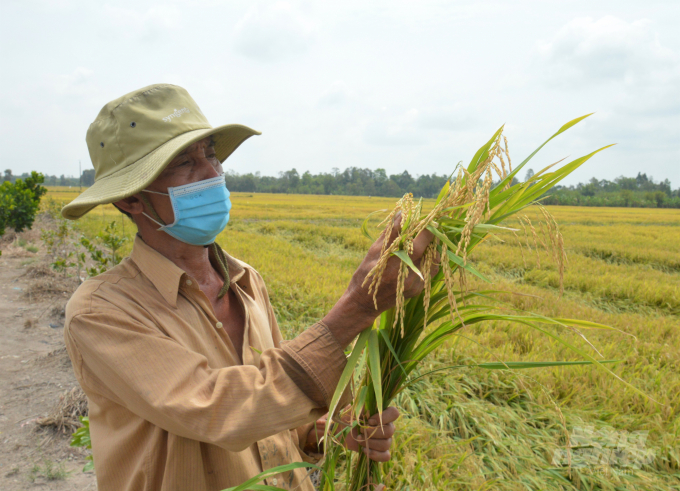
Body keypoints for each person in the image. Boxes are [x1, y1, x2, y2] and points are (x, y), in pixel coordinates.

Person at [61, 84, 433, 491]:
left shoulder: (246, 281)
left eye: (211, 154)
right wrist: (356, 307)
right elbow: (217, 411)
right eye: (185, 162)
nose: (212, 173)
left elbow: (274, 416)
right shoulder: (101, 312)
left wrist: (331, 431)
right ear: (131, 200)